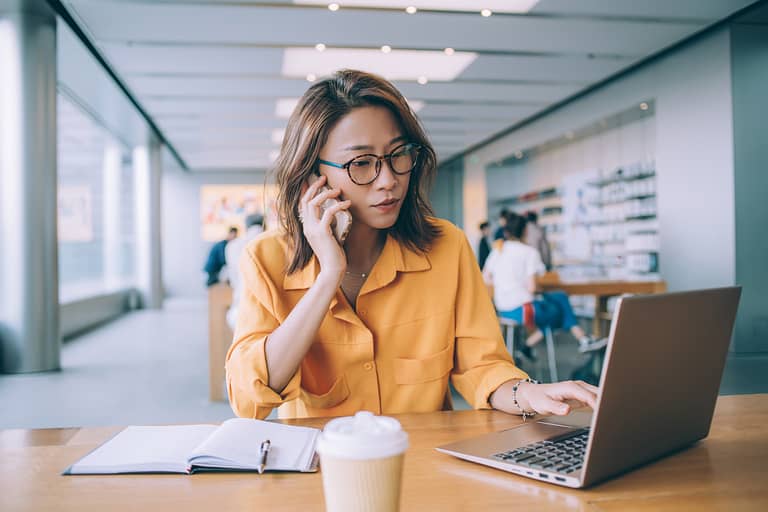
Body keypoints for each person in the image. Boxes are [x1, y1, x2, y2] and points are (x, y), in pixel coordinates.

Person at [225, 69, 597, 421]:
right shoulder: (266, 258)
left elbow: (481, 365)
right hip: (323, 472)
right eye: (361, 163)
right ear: (312, 178)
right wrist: (328, 276)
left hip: (425, 469)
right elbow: (249, 398)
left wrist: (526, 393)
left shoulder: (447, 246)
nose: (388, 180)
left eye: (398, 154)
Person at [483, 213, 606, 360]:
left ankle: (529, 347)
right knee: (559, 309)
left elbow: (486, 277)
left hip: (502, 309)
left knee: (559, 300)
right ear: (526, 231)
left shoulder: (498, 251)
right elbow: (532, 288)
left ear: (507, 231)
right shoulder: (529, 252)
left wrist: (504, 284)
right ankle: (580, 339)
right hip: (523, 310)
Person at [226, 213, 265, 329]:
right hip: (269, 311)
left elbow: (233, 279)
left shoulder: (232, 245)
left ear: (246, 226)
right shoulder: (275, 242)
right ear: (264, 224)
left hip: (240, 308)